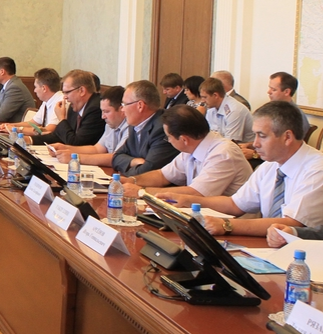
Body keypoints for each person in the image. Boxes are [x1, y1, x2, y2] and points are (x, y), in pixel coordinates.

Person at [169, 101, 323, 237]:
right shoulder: (270, 165)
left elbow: (292, 224)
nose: (255, 144)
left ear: (287, 137)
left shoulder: (317, 169)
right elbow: (235, 204)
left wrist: (226, 225)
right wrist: (190, 200)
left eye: (262, 136)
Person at [119, 105, 251, 198]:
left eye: (168, 137)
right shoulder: (191, 148)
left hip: (233, 223)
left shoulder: (223, 153)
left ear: (184, 139)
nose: (168, 141)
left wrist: (142, 192)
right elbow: (163, 175)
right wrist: (132, 181)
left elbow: (197, 193)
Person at [111, 80, 179, 176]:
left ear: (140, 106)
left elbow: (147, 171)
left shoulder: (163, 128)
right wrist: (134, 161)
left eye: (125, 104)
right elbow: (116, 157)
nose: (122, 109)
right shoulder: (135, 125)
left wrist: (123, 171)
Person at [50, 85, 127, 166]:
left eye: (107, 112)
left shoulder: (129, 128)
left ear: (122, 109)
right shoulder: (110, 125)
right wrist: (65, 148)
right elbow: (97, 149)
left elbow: (116, 158)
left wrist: (76, 158)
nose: (103, 116)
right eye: (102, 111)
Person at [32, 70, 105, 147]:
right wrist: (30, 139)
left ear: (82, 91)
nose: (65, 97)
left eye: (67, 92)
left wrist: (61, 119)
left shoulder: (96, 109)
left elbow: (76, 143)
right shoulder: (74, 106)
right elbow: (59, 136)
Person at [3, 68, 61, 135]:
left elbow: (47, 131)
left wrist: (17, 129)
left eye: (36, 87)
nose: (34, 90)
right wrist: (10, 125)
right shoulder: (47, 101)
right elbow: (33, 123)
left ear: (44, 88)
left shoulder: (60, 102)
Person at [200, 76, 254, 142]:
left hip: (243, 146)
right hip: (222, 144)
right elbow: (209, 135)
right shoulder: (211, 109)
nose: (202, 101)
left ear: (215, 95)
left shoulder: (234, 110)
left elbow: (231, 142)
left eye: (205, 97)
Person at [266, 71, 311, 137]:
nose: (268, 92)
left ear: (287, 92)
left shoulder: (295, 116)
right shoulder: (271, 109)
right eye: (269, 88)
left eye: (273, 89)